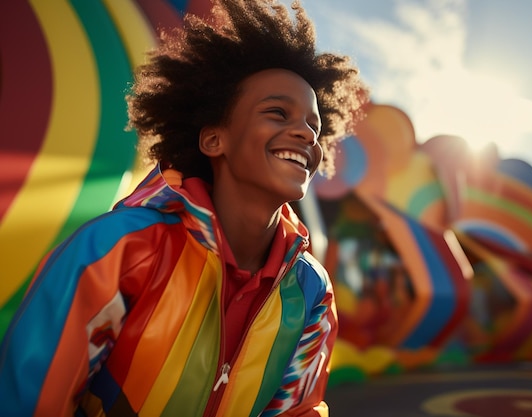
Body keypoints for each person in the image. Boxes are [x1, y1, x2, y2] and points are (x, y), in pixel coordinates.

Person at [0, 1, 368, 415]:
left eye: (314, 127)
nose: (305, 133)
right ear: (214, 141)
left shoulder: (312, 291)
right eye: (278, 113)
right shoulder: (118, 250)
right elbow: (33, 399)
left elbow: (299, 409)